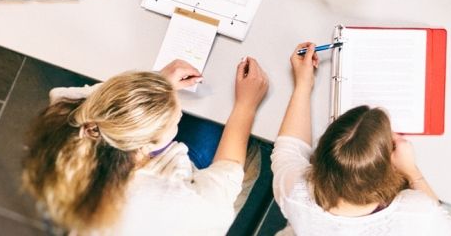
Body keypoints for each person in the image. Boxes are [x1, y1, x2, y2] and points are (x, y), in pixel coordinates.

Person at [22, 57, 269, 235]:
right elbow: (226, 178)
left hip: (87, 218)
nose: (179, 113)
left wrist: (155, 86)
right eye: (175, 118)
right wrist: (245, 105)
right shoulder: (179, 206)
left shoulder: (68, 122)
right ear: (145, 145)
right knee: (225, 130)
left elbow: (79, 98)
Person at [271, 42, 451, 235]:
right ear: (389, 171)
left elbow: (288, 149)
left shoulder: (296, 193)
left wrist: (303, 84)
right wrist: (412, 171)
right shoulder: (416, 213)